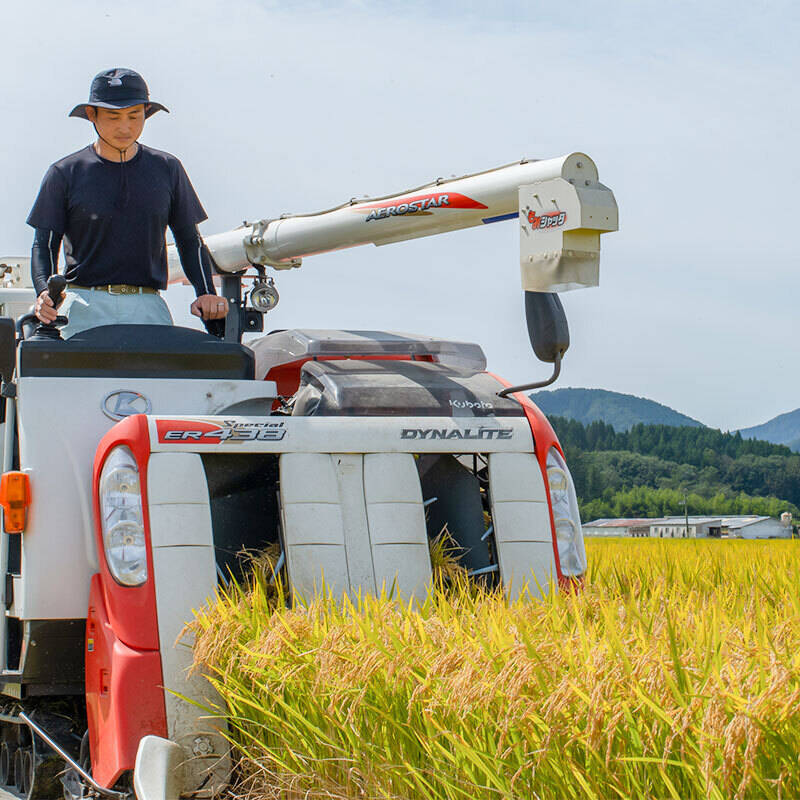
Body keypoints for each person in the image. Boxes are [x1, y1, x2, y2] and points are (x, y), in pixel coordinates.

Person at [27, 67, 228, 337]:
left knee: (158, 379)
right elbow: (44, 245)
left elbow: (189, 240)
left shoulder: (168, 168)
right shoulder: (64, 172)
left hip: (148, 306)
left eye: (134, 116)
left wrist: (205, 293)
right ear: (91, 115)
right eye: (113, 116)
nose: (125, 127)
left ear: (146, 113)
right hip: (83, 306)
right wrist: (43, 293)